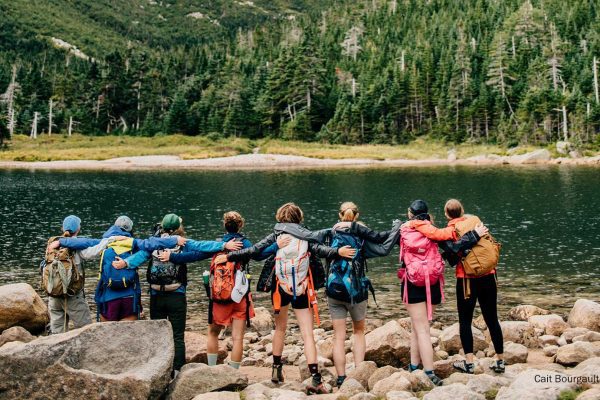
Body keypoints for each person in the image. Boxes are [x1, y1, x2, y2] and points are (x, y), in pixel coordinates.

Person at [214, 203, 356, 394]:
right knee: (307, 334)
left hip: (280, 289)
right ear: (299, 218)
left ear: (280, 218)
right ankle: (315, 378)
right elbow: (323, 250)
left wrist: (230, 256)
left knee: (280, 329)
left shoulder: (276, 236)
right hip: (302, 288)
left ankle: (276, 370)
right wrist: (338, 251)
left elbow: (254, 251)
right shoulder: (306, 236)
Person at [346, 200, 486, 386]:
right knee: (419, 327)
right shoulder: (433, 231)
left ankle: (429, 371)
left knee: (420, 329)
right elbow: (453, 247)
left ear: (410, 214)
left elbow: (378, 238)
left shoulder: (403, 230)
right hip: (433, 284)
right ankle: (414, 366)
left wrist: (353, 227)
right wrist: (474, 235)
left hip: (412, 283)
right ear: (427, 214)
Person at [113, 213, 243, 375]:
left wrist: (125, 263)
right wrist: (223, 246)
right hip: (177, 294)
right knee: (178, 336)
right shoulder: (182, 243)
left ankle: (157, 370)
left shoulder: (154, 243)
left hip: (156, 295)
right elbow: (202, 246)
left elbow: (140, 256)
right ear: (177, 228)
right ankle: (178, 372)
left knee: (158, 335)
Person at [52, 215, 185, 322]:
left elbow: (85, 242)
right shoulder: (133, 244)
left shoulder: (105, 242)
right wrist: (174, 240)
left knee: (107, 333)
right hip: (129, 296)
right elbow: (151, 244)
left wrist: (61, 241)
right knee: (127, 336)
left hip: (108, 297)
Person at [326, 202, 400, 387]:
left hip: (335, 290)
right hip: (357, 292)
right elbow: (382, 248)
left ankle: (341, 377)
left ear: (339, 215)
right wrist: (396, 229)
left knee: (338, 337)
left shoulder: (331, 234)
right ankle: (359, 371)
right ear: (357, 216)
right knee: (358, 332)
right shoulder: (362, 237)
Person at [439, 199, 505, 374]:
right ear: (462, 211)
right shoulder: (476, 222)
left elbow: (452, 259)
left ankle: (469, 363)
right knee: (492, 319)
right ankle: (500, 360)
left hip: (467, 280)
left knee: (465, 321)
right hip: (489, 277)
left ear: (446, 214)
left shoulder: (450, 231)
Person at [44, 215, 104, 333]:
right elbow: (91, 253)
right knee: (85, 330)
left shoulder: (52, 244)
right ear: (78, 229)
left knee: (56, 332)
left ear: (63, 228)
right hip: (73, 296)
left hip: (54, 294)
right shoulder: (77, 247)